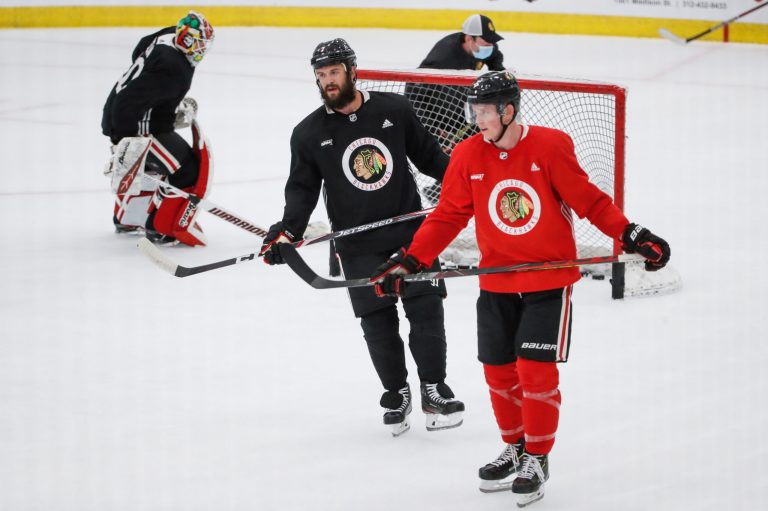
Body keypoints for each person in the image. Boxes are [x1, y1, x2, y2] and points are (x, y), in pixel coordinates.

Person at [370, 71, 670, 506]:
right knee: (497, 371)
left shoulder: (550, 146)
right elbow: (448, 216)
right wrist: (411, 259)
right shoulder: (468, 154)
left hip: (548, 281)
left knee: (534, 370)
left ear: (509, 111)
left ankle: (538, 456)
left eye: (485, 111)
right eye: (474, 111)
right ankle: (514, 447)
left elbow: (590, 201)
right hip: (497, 280)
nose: (477, 120)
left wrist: (631, 232)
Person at [259, 38, 465, 437]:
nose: (328, 82)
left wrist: (471, 183)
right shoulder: (307, 133)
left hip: (412, 235)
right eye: (321, 75)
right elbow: (301, 190)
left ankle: (433, 388)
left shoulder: (394, 110)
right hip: (357, 244)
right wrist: (286, 231)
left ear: (353, 71)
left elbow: (432, 159)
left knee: (426, 311)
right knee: (377, 323)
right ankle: (396, 392)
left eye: (334, 72)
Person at [101, 11, 215, 246]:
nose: (201, 52)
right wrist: (122, 140)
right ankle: (161, 228)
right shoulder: (174, 69)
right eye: (199, 45)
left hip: (124, 114)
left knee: (151, 167)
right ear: (188, 41)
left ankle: (129, 217)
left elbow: (140, 51)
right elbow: (129, 102)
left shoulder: (168, 34)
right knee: (187, 170)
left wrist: (167, 105)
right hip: (135, 125)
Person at [405, 14, 505, 202]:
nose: (489, 46)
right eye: (485, 42)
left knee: (479, 139)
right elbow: (414, 93)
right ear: (469, 38)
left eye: (491, 42)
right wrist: (432, 128)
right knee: (451, 152)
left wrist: (499, 77)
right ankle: (441, 191)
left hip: (457, 101)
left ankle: (463, 184)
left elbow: (495, 57)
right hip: (434, 109)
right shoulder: (442, 59)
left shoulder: (483, 47)